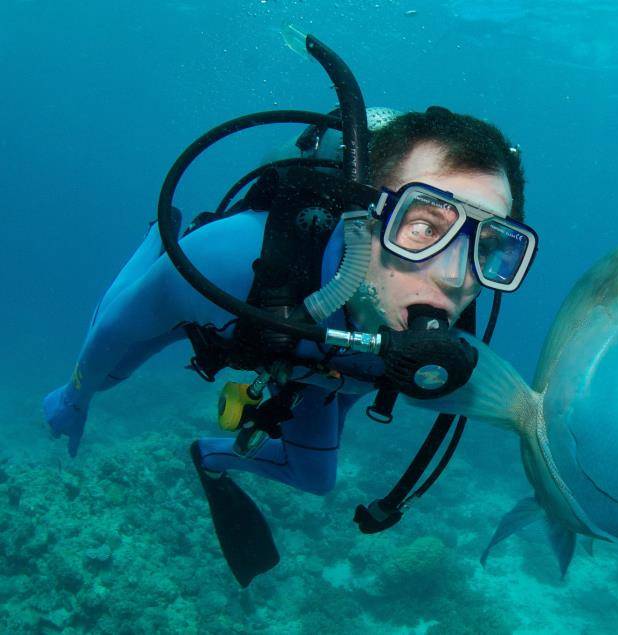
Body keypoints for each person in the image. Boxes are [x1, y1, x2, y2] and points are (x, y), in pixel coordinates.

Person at [41, 104, 538, 586]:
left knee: (315, 477)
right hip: (225, 318)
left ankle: (209, 457)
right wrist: (73, 398)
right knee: (109, 366)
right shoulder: (227, 258)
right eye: (424, 227)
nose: (454, 276)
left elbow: (351, 384)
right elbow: (115, 330)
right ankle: (156, 238)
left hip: (310, 369)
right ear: (362, 217)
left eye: (490, 247)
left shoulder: (437, 334)